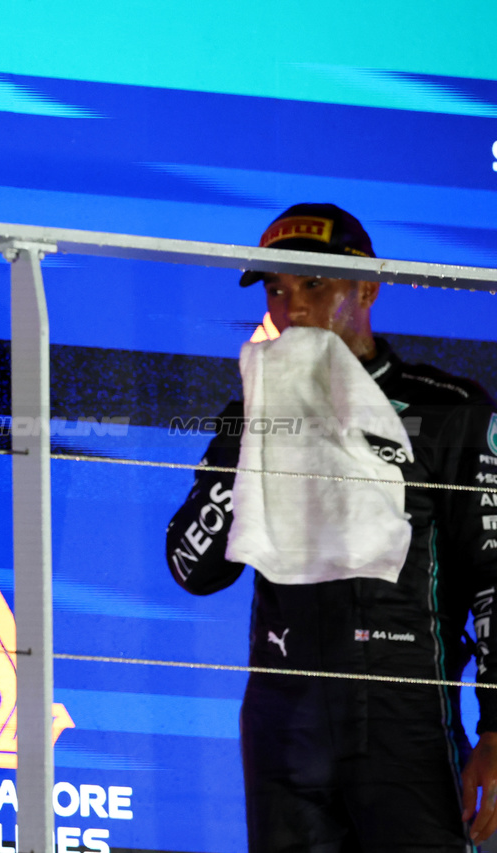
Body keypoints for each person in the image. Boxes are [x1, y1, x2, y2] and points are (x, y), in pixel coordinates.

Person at [165, 203, 497, 851]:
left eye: (315, 283)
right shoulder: (251, 408)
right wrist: (255, 437)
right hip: (282, 721)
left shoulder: (447, 407)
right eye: (278, 289)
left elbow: (494, 580)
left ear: (367, 287)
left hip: (404, 716)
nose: (297, 308)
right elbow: (191, 567)